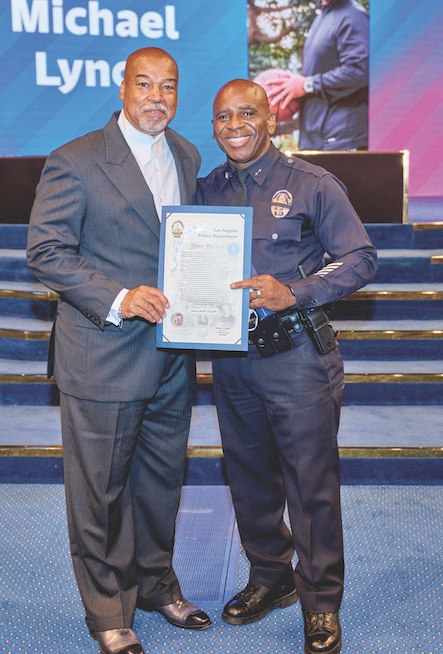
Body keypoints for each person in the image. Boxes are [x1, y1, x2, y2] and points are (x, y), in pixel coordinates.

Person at [26, 47, 212, 654]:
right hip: (102, 353)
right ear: (122, 88)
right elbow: (46, 252)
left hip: (172, 355)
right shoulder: (75, 159)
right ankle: (108, 610)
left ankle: (156, 584)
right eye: (145, 84)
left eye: (169, 86)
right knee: (100, 494)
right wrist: (120, 297)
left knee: (161, 483)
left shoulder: (186, 154)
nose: (157, 97)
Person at [197, 79, 377, 654]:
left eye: (247, 113)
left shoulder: (312, 183)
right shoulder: (204, 191)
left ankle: (320, 602)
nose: (235, 126)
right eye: (223, 117)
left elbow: (360, 258)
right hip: (232, 360)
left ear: (270, 119)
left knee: (310, 485)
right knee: (248, 479)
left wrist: (294, 291)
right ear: (214, 127)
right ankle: (271, 577)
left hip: (298, 358)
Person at [265, 0, 369, 151]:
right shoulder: (322, 17)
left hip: (342, 140)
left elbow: (358, 72)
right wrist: (294, 87)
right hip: (315, 139)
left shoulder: (354, 17)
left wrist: (307, 85)